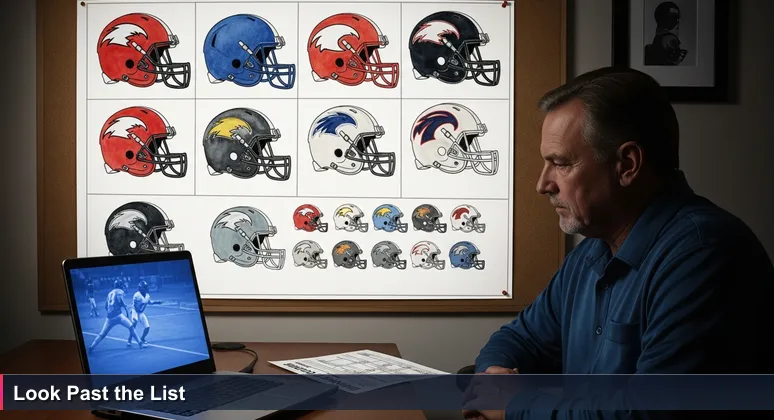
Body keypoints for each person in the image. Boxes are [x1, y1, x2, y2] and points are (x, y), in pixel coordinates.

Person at [465, 67, 774, 420]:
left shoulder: (706, 255)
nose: (543, 184)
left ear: (627, 164)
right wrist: (493, 378)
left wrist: (511, 406)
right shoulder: (590, 254)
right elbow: (518, 340)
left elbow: (645, 413)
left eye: (561, 164)